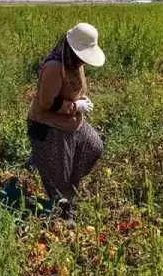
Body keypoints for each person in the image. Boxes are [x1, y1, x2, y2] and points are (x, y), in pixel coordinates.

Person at [27, 23, 106, 216]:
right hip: (50, 127)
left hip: (72, 123)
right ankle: (62, 216)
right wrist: (74, 106)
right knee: (59, 182)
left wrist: (81, 100)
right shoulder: (55, 67)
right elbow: (47, 104)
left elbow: (73, 88)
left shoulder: (74, 62)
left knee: (94, 146)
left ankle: (67, 188)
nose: (84, 61)